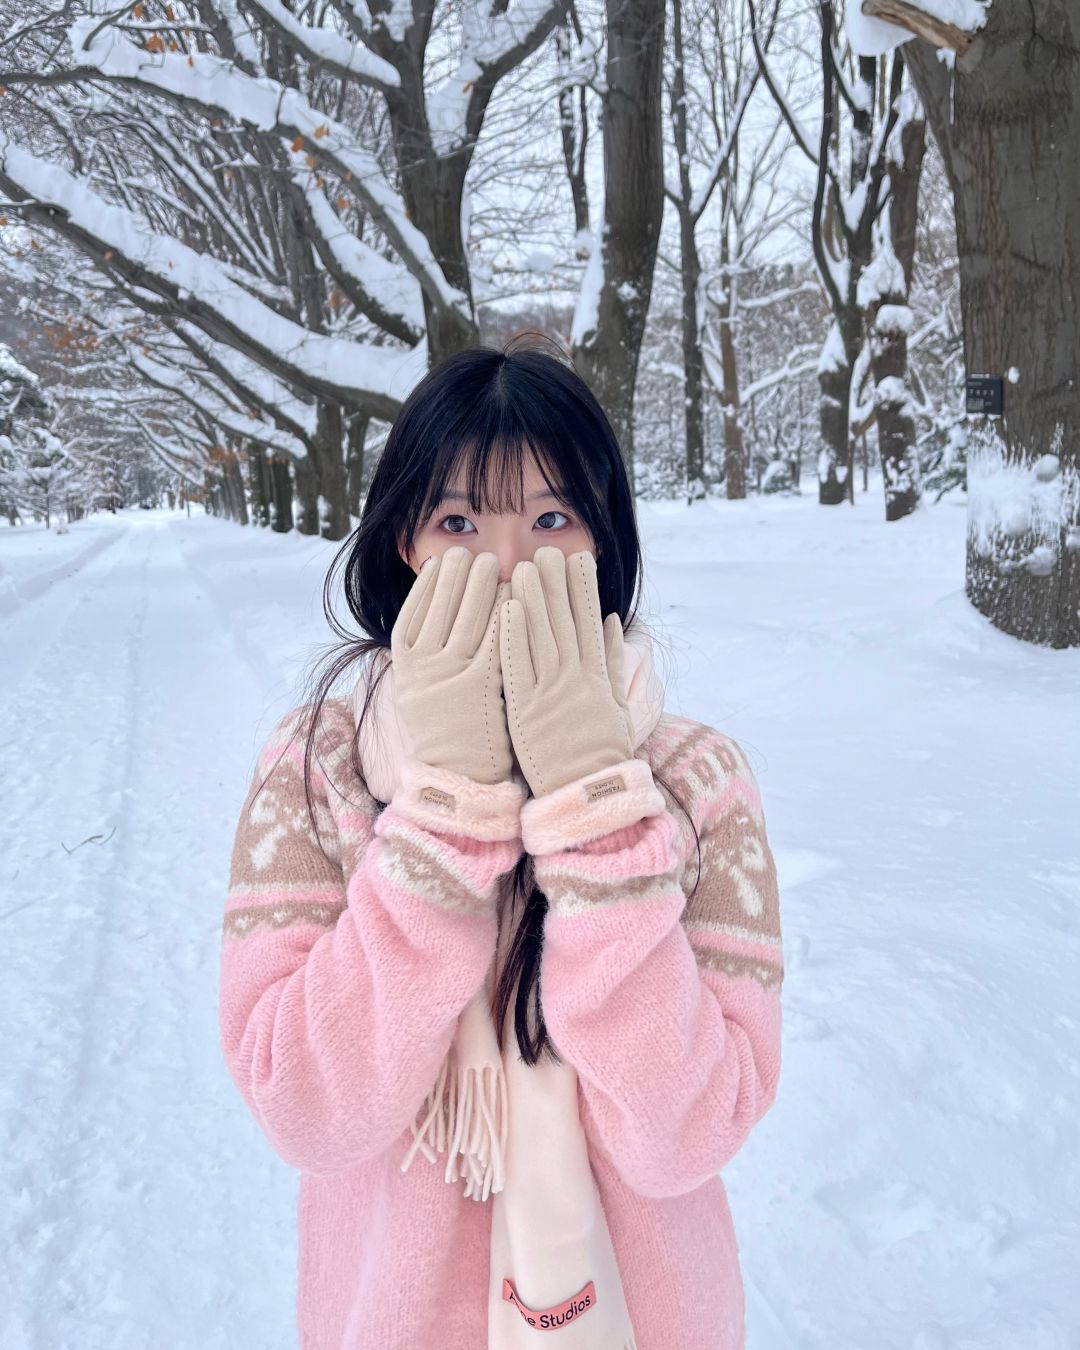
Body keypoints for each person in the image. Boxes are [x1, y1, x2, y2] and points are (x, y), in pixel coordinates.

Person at [218, 334, 784, 1349]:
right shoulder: (320, 774)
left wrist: (596, 806)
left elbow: (686, 1136)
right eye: (459, 519)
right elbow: (305, 1110)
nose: (509, 562)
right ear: (405, 543)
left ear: (605, 542)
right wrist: (447, 810)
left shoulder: (696, 785)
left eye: (553, 516)